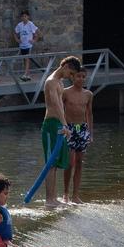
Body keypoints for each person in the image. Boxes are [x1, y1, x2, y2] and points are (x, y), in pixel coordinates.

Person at [40, 56, 81, 205]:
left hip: (59, 124)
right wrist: (65, 125)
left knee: (56, 164)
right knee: (50, 163)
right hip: (51, 124)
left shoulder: (60, 83)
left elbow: (62, 107)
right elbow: (56, 105)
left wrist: (65, 124)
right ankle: (49, 200)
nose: (71, 77)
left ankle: (53, 198)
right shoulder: (51, 82)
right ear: (66, 66)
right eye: (71, 74)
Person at [62, 69, 94, 204]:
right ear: (72, 77)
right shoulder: (65, 92)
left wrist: (90, 133)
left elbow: (89, 113)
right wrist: (62, 127)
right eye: (78, 76)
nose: (81, 79)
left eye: (83, 77)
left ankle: (76, 195)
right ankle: (66, 194)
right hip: (69, 128)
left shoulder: (88, 94)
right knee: (69, 163)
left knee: (80, 163)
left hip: (81, 128)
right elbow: (59, 110)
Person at [13, 11, 39, 81]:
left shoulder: (30, 24)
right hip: (22, 45)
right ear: (21, 17)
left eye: (25, 16)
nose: (24, 18)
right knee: (25, 60)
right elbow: (15, 33)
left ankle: (25, 74)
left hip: (29, 45)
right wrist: (17, 40)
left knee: (27, 59)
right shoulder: (19, 25)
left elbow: (36, 33)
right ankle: (28, 75)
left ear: (28, 17)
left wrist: (34, 40)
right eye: (23, 16)